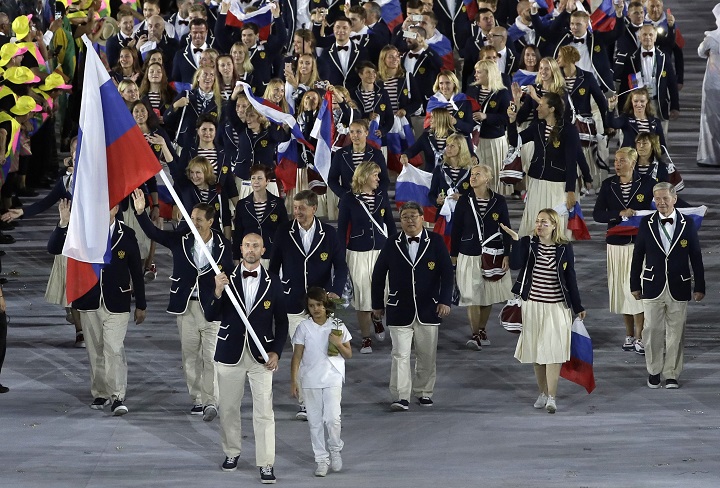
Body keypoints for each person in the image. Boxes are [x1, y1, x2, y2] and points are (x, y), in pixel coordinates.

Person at [132, 190, 233, 419]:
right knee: (190, 356)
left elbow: (230, 275)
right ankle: (196, 398)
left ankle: (211, 402)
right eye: (191, 217)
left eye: (198, 219)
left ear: (210, 221)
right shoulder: (180, 239)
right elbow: (153, 233)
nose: (193, 222)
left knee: (211, 357)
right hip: (186, 308)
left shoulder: (223, 245)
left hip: (212, 308)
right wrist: (140, 213)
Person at [48, 199, 147, 415]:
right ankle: (100, 393)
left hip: (118, 302)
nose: (105, 210)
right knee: (96, 350)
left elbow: (136, 273)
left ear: (116, 209)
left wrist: (141, 304)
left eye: (109, 206)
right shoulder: (82, 232)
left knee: (113, 348)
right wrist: (63, 224)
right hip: (89, 300)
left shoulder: (127, 234)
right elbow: (54, 248)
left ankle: (117, 396)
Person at [206, 233, 288, 484]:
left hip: (261, 356)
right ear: (240, 249)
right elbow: (211, 314)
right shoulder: (224, 277)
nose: (250, 249)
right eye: (246, 245)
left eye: (255, 246)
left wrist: (276, 351)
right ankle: (231, 452)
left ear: (263, 250)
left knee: (264, 411)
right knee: (229, 408)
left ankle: (266, 463)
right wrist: (218, 290)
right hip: (229, 353)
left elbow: (282, 321)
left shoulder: (274, 281)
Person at [269, 190, 348, 420]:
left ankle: (329, 398)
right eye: (294, 208)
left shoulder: (329, 234)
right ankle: (306, 404)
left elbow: (341, 267)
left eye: (302, 208)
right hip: (293, 303)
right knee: (301, 355)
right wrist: (276, 293)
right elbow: (274, 268)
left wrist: (335, 291)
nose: (297, 212)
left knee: (327, 353)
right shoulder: (284, 231)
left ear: (314, 208)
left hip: (323, 306)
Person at [371, 201, 454, 411]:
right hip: (399, 308)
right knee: (400, 354)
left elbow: (447, 273)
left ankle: (424, 392)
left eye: (413, 216)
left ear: (422, 218)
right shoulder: (392, 243)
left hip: (429, 308)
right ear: (401, 220)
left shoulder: (435, 241)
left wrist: (445, 300)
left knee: (427, 354)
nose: (409, 220)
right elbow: (379, 276)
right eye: (405, 217)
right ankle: (401, 396)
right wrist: (377, 305)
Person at [501, 208, 585, 414]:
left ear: (555, 225)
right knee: (538, 354)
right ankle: (542, 393)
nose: (539, 225)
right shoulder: (529, 243)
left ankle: (552, 398)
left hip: (557, 307)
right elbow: (516, 265)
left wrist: (578, 306)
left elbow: (570, 277)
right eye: (538, 221)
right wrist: (516, 241)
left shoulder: (565, 247)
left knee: (554, 353)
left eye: (544, 222)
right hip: (533, 306)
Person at [630, 183, 705, 389]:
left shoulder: (687, 223)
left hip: (679, 285)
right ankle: (654, 371)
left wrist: (700, 286)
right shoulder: (646, 223)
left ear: (674, 199)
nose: (661, 202)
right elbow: (638, 255)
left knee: (676, 332)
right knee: (652, 329)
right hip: (652, 284)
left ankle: (671, 373)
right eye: (657, 199)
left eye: (665, 198)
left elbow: (696, 256)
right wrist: (634, 283)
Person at [592, 148, 655, 355]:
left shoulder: (647, 183)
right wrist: (619, 213)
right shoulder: (608, 184)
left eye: (622, 160)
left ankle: (641, 337)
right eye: (616, 161)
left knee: (637, 291)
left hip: (639, 245)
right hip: (616, 245)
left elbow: (663, 205)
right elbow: (598, 214)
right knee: (621, 291)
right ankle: (629, 335)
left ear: (633, 162)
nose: (617, 164)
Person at [291, 287, 352, 477]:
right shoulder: (303, 327)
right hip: (309, 379)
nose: (316, 309)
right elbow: (297, 356)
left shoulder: (337, 324)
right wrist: (294, 380)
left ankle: (335, 449)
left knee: (333, 418)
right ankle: (321, 459)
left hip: (332, 376)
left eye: (319, 305)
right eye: (311, 306)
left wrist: (338, 343)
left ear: (326, 305)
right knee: (315, 422)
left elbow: (348, 354)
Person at [450, 164, 513, 350]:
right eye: (471, 174)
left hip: (493, 255)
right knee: (472, 297)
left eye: (478, 174)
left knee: (487, 296)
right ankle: (475, 334)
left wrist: (507, 254)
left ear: (488, 179)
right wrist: (453, 255)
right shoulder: (464, 201)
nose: (473, 177)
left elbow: (506, 229)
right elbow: (456, 230)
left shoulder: (499, 201)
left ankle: (482, 329)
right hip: (468, 253)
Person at [337, 162, 396, 354]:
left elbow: (391, 226)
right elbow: (341, 229)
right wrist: (339, 257)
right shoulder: (348, 199)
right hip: (358, 252)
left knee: (385, 292)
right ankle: (366, 338)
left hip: (381, 251)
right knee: (363, 297)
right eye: (375, 175)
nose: (379, 179)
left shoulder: (381, 196)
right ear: (364, 177)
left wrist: (395, 248)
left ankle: (378, 318)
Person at [507, 92, 579, 237]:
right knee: (535, 222)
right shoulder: (537, 127)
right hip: (536, 183)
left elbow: (572, 162)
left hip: (557, 186)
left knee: (554, 225)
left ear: (552, 109)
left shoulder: (569, 130)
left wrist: (571, 191)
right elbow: (516, 141)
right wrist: (511, 121)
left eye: (541, 105)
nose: (537, 109)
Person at [232, 164, 289, 267]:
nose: (256, 181)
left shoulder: (278, 203)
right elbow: (238, 233)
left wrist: (285, 254)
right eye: (253, 178)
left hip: (271, 254)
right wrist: (236, 257)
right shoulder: (242, 204)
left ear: (267, 181)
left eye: (259, 178)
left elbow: (284, 231)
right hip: (248, 255)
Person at [697, 3, 720, 167]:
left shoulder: (712, 38)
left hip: (713, 83)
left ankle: (712, 156)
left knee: (710, 119)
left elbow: (700, 51)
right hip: (713, 82)